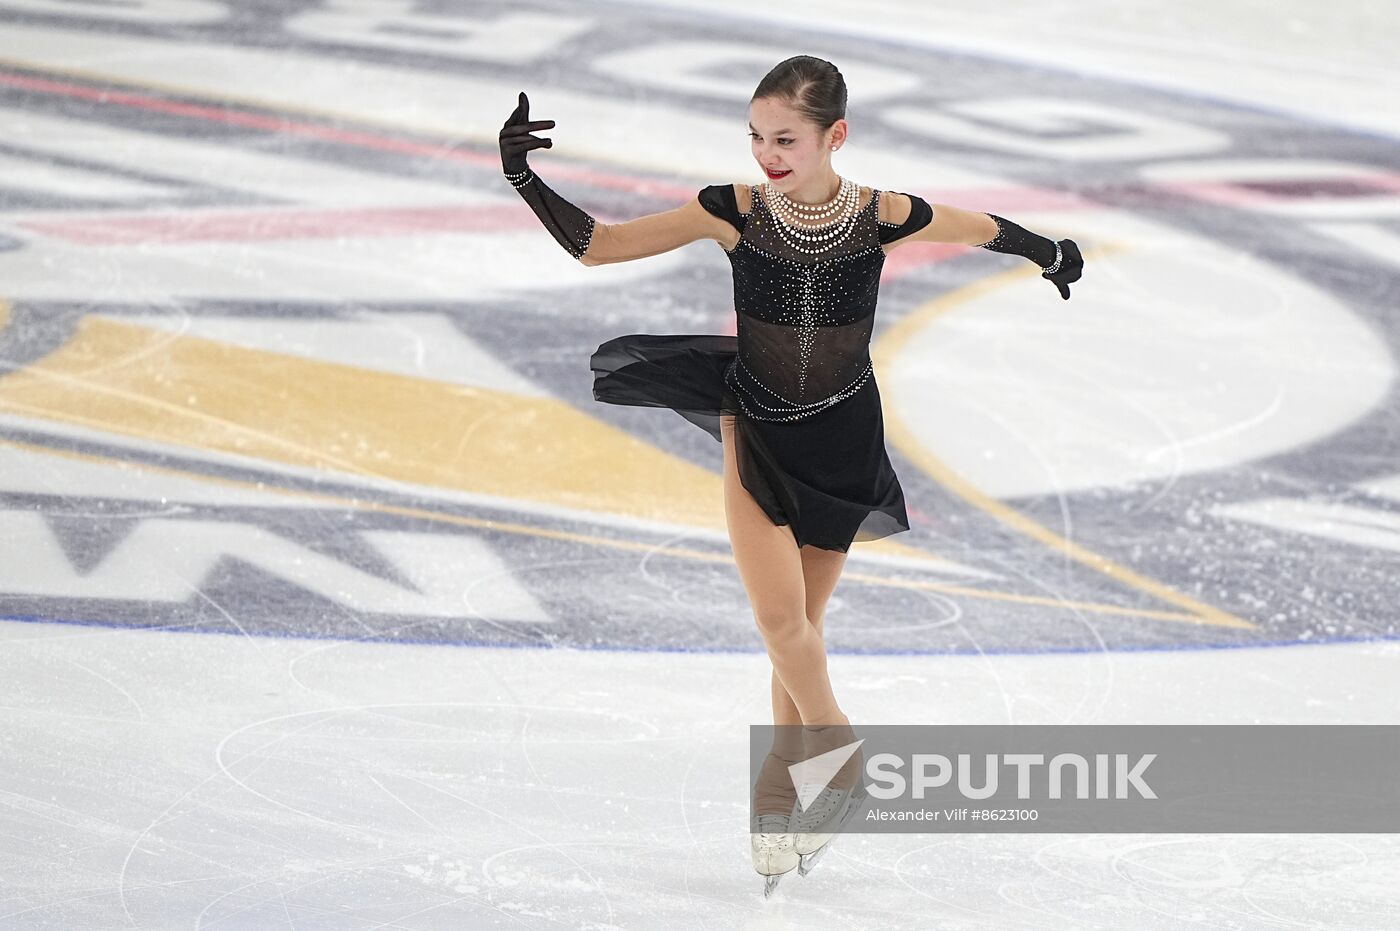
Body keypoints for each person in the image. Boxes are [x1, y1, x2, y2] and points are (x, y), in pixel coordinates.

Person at [498, 55, 1083, 895]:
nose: (766, 154)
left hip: (844, 436)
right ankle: (840, 757)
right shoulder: (730, 211)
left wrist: (1052, 252)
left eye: (785, 139)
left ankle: (777, 796)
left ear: (832, 136)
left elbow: (981, 227)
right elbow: (599, 247)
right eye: (756, 137)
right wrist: (522, 175)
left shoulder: (883, 214)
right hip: (756, 430)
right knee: (780, 623)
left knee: (800, 628)